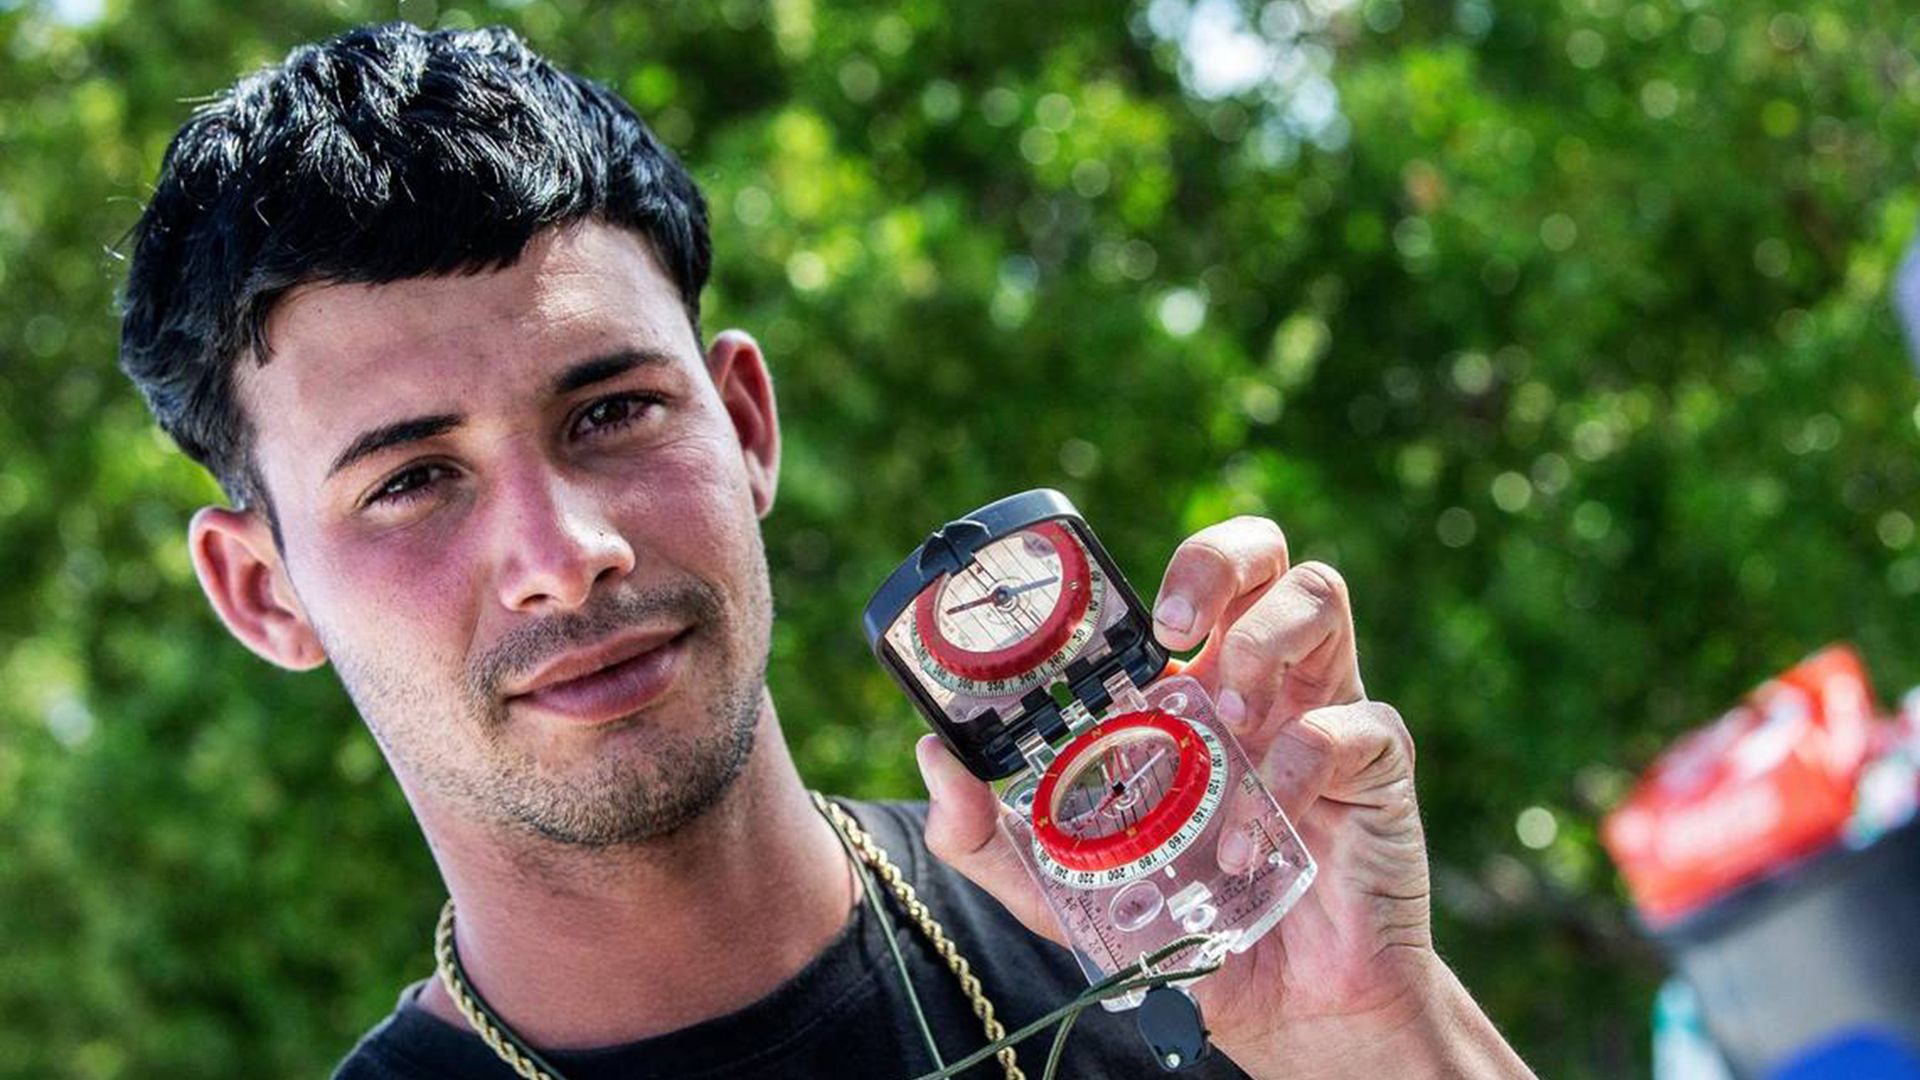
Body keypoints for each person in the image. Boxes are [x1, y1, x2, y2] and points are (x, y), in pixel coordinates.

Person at [116, 21, 1535, 1080]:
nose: (568, 550)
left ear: (744, 422)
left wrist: (1377, 1029)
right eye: (415, 479)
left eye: (612, 410)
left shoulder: (1180, 933)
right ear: (263, 591)